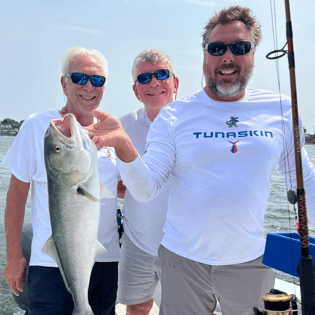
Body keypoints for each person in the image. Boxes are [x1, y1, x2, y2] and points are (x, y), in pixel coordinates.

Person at [86, 6, 315, 315]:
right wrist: (124, 145)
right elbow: (145, 189)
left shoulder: (283, 110)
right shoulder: (175, 115)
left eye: (240, 47)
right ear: (205, 55)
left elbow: (306, 182)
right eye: (217, 48)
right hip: (181, 261)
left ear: (253, 53)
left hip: (247, 260)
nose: (228, 56)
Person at [1, 47, 120, 315]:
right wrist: (13, 256)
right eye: (79, 77)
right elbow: (17, 194)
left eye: (97, 80)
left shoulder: (112, 130)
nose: (88, 86)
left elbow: (123, 188)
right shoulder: (38, 126)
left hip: (105, 259)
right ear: (63, 83)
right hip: (49, 264)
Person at [118, 49, 179, 315]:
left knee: (194, 309)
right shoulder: (121, 128)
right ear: (135, 90)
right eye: (144, 78)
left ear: (175, 82)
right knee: (137, 308)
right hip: (137, 241)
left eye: (161, 74)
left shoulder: (193, 124)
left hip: (184, 244)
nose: (153, 82)